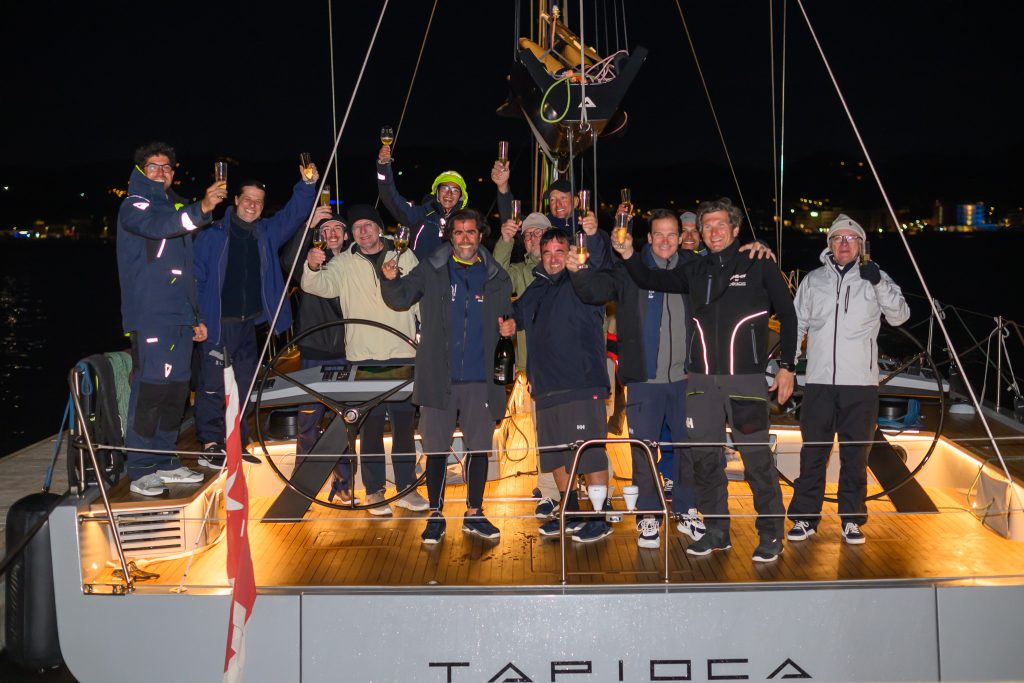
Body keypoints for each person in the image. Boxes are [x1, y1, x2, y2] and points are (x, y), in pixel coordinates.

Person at [572, 209, 773, 548]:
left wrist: (759, 245)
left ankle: (686, 509)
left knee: (687, 450)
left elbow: (729, 258)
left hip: (688, 379)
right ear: (649, 238)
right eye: (658, 234)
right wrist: (577, 270)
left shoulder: (696, 268)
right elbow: (593, 291)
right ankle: (648, 515)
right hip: (643, 380)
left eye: (671, 234)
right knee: (644, 450)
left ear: (681, 238)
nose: (665, 241)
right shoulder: (629, 269)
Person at [616, 197, 797, 563]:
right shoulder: (694, 269)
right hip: (700, 384)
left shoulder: (758, 262)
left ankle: (771, 534)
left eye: (720, 225)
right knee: (704, 460)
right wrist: (629, 253)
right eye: (707, 226)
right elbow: (650, 278)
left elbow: (790, 316)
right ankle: (716, 531)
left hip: (745, 382)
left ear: (735, 229)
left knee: (756, 461)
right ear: (700, 233)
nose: (714, 232)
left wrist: (788, 367)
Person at [380, 208, 514, 544]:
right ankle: (436, 515)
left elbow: (507, 320)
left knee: (479, 449)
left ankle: (475, 513)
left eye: (471, 232)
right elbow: (400, 297)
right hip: (438, 377)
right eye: (459, 232)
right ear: (450, 237)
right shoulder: (431, 268)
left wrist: (511, 327)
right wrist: (390, 279)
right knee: (436, 449)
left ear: (480, 235)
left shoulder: (497, 276)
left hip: (481, 379)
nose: (465, 238)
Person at [786, 214, 910, 545]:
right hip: (819, 383)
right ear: (829, 244)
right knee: (813, 453)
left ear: (861, 245)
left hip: (860, 385)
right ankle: (804, 518)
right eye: (837, 238)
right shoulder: (813, 281)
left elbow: (900, 316)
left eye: (851, 238)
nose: (844, 244)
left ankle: (852, 519)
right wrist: (788, 364)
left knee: (855, 456)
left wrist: (878, 282)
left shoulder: (877, 277)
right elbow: (796, 325)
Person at [302, 204, 429, 515]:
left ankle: (407, 489)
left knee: (403, 428)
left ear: (378, 228)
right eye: (357, 227)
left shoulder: (402, 254)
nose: (362, 231)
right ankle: (373, 491)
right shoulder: (343, 261)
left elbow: (419, 295)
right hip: (363, 356)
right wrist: (312, 266)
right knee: (370, 428)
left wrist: (425, 332)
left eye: (368, 225)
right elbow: (317, 285)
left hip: (402, 353)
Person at [116, 141, 227, 496]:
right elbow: (159, 227)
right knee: (151, 391)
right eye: (153, 166)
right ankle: (140, 467)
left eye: (167, 167)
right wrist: (202, 207)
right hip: (151, 316)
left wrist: (195, 316)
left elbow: (186, 271)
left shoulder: (174, 205)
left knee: (177, 391)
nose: (161, 172)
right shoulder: (135, 205)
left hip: (179, 317)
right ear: (141, 170)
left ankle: (165, 461)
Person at [193, 165, 318, 466]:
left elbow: (293, 214)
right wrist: (195, 318)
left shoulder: (266, 233)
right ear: (236, 200)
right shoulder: (212, 234)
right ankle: (211, 444)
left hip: (249, 324)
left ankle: (236, 441)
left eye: (259, 201)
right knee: (212, 386)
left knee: (245, 386)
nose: (252, 205)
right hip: (216, 325)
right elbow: (195, 279)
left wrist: (306, 184)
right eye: (247, 199)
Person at [508, 228, 615, 543]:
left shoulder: (584, 279)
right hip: (546, 387)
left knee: (589, 453)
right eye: (548, 253)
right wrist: (510, 322)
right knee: (554, 455)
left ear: (570, 252)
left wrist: (590, 244)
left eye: (560, 251)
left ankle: (600, 518)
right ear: (540, 256)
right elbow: (518, 313)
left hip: (582, 384)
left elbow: (604, 273)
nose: (553, 259)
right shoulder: (539, 285)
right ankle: (571, 511)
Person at [280, 206, 354, 501]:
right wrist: (307, 226)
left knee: (343, 420)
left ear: (346, 235)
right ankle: (302, 487)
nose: (332, 234)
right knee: (308, 421)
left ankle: (344, 483)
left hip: (347, 351)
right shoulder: (310, 259)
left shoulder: (354, 263)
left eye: (337, 229)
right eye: (326, 230)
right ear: (319, 236)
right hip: (313, 350)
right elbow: (288, 261)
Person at [377, 143, 467, 259]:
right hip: (420, 270)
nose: (449, 194)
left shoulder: (465, 222)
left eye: (455, 190)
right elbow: (389, 196)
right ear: (437, 192)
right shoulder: (420, 214)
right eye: (445, 188)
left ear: (460, 196)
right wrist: (383, 166)